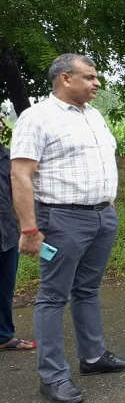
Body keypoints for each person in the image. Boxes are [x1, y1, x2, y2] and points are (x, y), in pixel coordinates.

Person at [10, 53, 125, 403]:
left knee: (87, 289)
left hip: (102, 216)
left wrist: (107, 205)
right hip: (62, 219)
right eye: (90, 77)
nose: (97, 83)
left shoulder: (94, 116)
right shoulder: (37, 118)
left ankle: (94, 357)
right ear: (65, 79)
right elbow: (20, 174)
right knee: (53, 296)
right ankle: (53, 377)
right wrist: (29, 229)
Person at [0, 117, 36, 352]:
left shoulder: (8, 158)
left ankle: (4, 337)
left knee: (5, 287)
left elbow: (20, 192)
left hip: (6, 232)